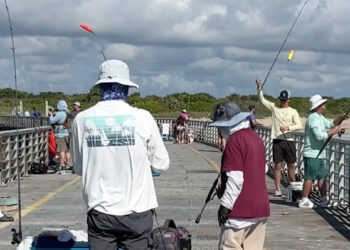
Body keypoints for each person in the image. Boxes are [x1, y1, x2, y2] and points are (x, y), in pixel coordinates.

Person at [71, 59, 170, 250]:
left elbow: (78, 167)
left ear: (100, 87)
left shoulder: (81, 119)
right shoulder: (143, 117)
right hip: (138, 210)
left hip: (100, 211)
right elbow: (161, 164)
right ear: (127, 88)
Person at [210, 101, 269, 250]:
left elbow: (236, 178)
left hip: (240, 211)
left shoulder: (235, 141)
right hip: (261, 208)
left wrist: (225, 205)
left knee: (229, 246)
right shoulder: (256, 138)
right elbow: (264, 168)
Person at [256, 80, 302, 197]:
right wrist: (259, 87)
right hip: (277, 140)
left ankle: (293, 188)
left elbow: (299, 125)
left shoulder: (293, 111)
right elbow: (262, 100)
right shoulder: (274, 108)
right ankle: (277, 188)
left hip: (289, 141)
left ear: (289, 100)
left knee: (291, 164)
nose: (281, 101)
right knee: (278, 165)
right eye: (280, 99)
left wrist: (288, 128)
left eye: (284, 100)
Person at [299, 95, 346, 208]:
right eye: (323, 103)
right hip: (312, 154)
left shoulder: (320, 117)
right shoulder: (313, 118)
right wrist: (332, 132)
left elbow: (331, 124)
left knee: (322, 176)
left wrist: (341, 117)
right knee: (309, 177)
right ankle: (304, 200)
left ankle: (324, 199)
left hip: (319, 154)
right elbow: (319, 136)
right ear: (318, 106)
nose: (325, 105)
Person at [49, 100, 71, 173]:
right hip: (68, 133)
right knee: (67, 151)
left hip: (60, 134)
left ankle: (62, 167)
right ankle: (68, 165)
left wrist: (51, 115)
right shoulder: (67, 113)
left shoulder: (59, 114)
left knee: (62, 151)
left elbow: (52, 121)